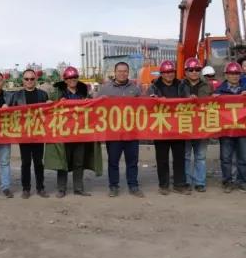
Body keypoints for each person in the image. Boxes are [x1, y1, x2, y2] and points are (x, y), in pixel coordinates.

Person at [96, 62, 143, 197]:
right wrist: (101, 101)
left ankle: (133, 186)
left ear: (128, 73)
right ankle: (113, 186)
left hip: (131, 132)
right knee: (113, 161)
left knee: (132, 161)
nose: (122, 73)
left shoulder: (135, 89)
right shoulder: (105, 89)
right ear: (115, 72)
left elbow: (144, 108)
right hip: (113, 132)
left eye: (125, 71)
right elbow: (94, 108)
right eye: (120, 71)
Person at [148, 61, 189, 195]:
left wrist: (191, 99)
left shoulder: (181, 85)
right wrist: (154, 99)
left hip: (178, 127)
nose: (169, 74)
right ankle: (164, 185)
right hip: (161, 127)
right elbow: (147, 103)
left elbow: (188, 101)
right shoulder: (154, 87)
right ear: (161, 74)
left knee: (179, 158)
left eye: (171, 72)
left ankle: (179, 184)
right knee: (162, 159)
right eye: (166, 72)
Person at [10, 69, 50, 198]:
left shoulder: (43, 95)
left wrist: (51, 105)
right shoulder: (16, 96)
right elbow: (9, 113)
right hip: (24, 134)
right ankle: (26, 189)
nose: (29, 81)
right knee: (26, 162)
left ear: (36, 80)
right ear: (22, 80)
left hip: (38, 133)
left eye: (32, 79)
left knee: (38, 162)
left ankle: (40, 187)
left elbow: (49, 113)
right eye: (26, 79)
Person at [52, 66, 92, 198]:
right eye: (69, 78)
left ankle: (78, 188)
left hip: (80, 134)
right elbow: (50, 108)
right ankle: (61, 189)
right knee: (63, 162)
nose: (72, 80)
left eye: (74, 77)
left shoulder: (83, 94)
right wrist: (58, 103)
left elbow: (94, 108)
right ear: (65, 80)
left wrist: (89, 102)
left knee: (79, 162)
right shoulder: (59, 94)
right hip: (64, 134)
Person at [215, 62, 246, 194]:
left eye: (237, 73)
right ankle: (227, 182)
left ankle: (242, 181)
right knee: (226, 158)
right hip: (226, 130)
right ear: (226, 75)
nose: (234, 76)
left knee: (243, 158)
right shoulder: (219, 91)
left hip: (242, 129)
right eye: (231, 73)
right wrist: (214, 99)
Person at [178, 57, 214, 192]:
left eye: (197, 69)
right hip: (185, 124)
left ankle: (200, 182)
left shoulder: (208, 86)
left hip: (202, 125)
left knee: (200, 156)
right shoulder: (180, 86)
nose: (194, 72)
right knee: (186, 155)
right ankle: (187, 181)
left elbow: (214, 103)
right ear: (186, 71)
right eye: (191, 70)